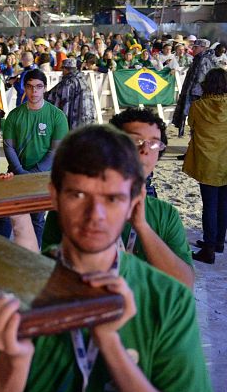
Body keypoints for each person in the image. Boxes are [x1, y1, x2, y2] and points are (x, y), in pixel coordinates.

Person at [0, 125, 213, 392]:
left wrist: (110, 343)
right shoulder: (14, 290)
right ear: (54, 195)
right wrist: (14, 363)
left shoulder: (168, 298)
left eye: (112, 198)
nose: (95, 215)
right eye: (78, 194)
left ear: (134, 202)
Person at [44, 108, 195, 287]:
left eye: (154, 143)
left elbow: (185, 283)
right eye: (135, 140)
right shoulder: (73, 206)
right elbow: (47, 273)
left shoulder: (165, 214)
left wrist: (142, 227)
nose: (145, 149)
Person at [2, 69, 68, 244]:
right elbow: (9, 147)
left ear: (45, 88)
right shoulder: (14, 115)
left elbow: (55, 151)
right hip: (16, 174)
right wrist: (20, 172)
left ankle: (35, 256)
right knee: (12, 216)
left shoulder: (57, 116)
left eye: (38, 87)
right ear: (24, 88)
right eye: (30, 87)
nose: (34, 91)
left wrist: (33, 174)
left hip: (43, 177)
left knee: (37, 218)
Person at [183, 67, 227, 264]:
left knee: (209, 204)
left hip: (207, 161)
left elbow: (192, 127)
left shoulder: (198, 106)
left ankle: (209, 249)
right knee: (224, 203)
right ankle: (218, 241)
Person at [172, 39, 216, 137]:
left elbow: (200, 79)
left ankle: (195, 148)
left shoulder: (204, 59)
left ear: (203, 48)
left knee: (197, 122)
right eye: (193, 47)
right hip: (194, 94)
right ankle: (193, 148)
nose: (193, 49)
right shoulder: (199, 58)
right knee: (194, 121)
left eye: (196, 47)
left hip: (197, 96)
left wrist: (193, 94)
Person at [46, 57, 97, 130]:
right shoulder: (83, 81)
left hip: (74, 124)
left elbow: (63, 103)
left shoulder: (68, 83)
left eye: (62, 69)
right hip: (86, 123)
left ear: (65, 69)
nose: (62, 72)